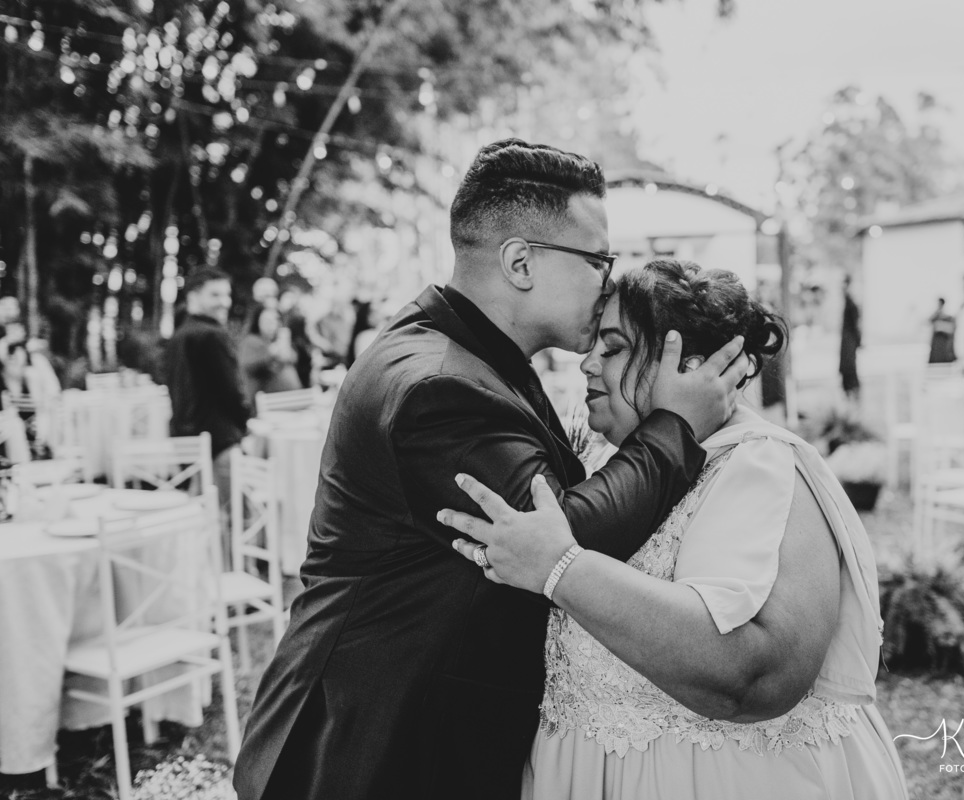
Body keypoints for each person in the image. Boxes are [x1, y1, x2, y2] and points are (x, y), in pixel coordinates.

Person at [233, 139, 751, 800]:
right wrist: (675, 426)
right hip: (373, 751)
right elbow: (561, 539)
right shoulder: (437, 388)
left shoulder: (466, 354)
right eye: (597, 259)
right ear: (520, 262)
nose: (608, 280)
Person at [440, 259, 908, 800]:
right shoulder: (608, 466)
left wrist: (559, 569)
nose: (586, 365)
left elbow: (758, 675)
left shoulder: (763, 466)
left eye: (613, 349)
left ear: (689, 363)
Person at [161, 268, 250, 527]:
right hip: (219, 439)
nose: (224, 302)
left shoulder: (178, 336)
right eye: (215, 294)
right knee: (236, 516)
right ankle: (241, 567)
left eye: (227, 294)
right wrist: (245, 422)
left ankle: (207, 566)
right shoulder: (214, 335)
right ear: (194, 296)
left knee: (201, 516)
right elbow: (233, 391)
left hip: (187, 441)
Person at [239, 305, 302, 414]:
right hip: (268, 405)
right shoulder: (251, 341)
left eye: (275, 320)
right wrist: (270, 354)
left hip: (289, 402)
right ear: (257, 321)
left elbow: (291, 359)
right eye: (267, 321)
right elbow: (248, 366)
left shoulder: (278, 340)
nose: (272, 325)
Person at [278, 288, 313, 388]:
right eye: (287, 297)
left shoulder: (297, 316)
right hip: (292, 357)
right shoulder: (278, 317)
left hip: (301, 355)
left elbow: (306, 335)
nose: (290, 301)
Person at [839, 274, 861, 400]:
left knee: (849, 370)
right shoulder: (847, 302)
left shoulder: (851, 303)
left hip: (849, 342)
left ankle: (853, 397)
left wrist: (858, 341)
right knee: (847, 371)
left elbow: (855, 325)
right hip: (847, 342)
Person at [928, 297, 956, 364]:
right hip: (936, 349)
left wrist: (941, 327)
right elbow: (928, 321)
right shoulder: (935, 316)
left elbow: (952, 329)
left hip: (945, 348)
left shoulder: (949, 317)